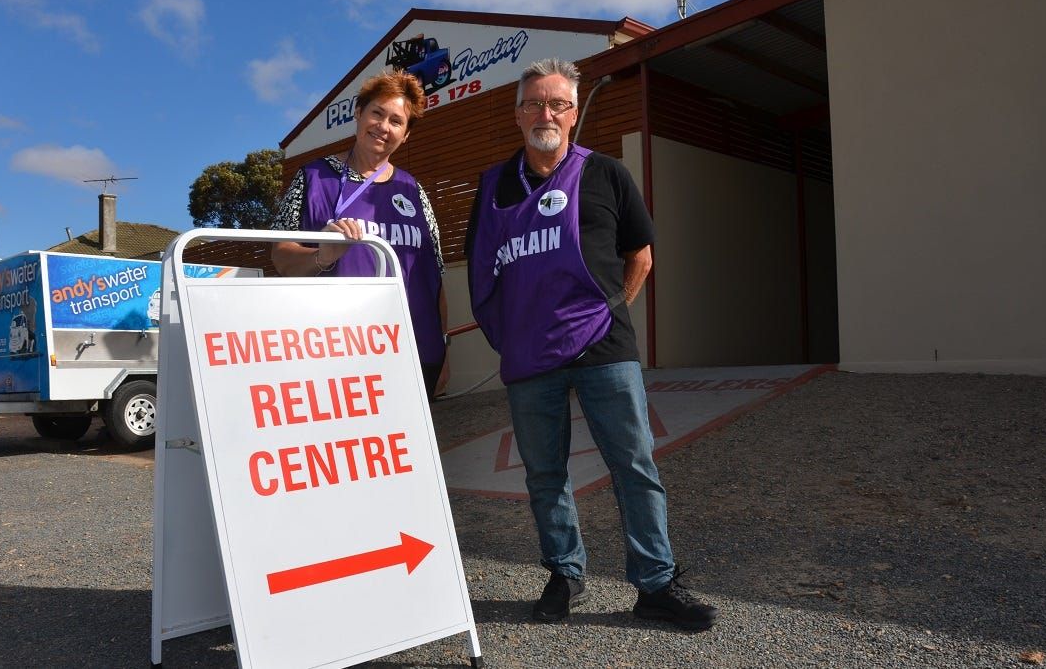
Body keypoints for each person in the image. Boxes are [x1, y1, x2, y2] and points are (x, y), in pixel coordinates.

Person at [464, 58, 718, 630]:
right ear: (517, 114)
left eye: (556, 103)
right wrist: (509, 336)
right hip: (529, 357)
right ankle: (565, 573)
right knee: (544, 473)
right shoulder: (493, 185)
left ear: (574, 113)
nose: (544, 113)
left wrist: (609, 312)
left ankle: (655, 583)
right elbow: (483, 273)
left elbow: (641, 255)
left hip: (604, 351)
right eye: (533, 103)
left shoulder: (606, 174)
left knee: (634, 464)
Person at [272, 70, 449, 399]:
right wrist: (321, 255)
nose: (383, 126)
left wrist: (444, 346)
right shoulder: (314, 177)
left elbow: (434, 275)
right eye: (377, 113)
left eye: (396, 121)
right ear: (358, 114)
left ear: (406, 135)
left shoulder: (413, 190)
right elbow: (280, 257)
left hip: (415, 352)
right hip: (340, 356)